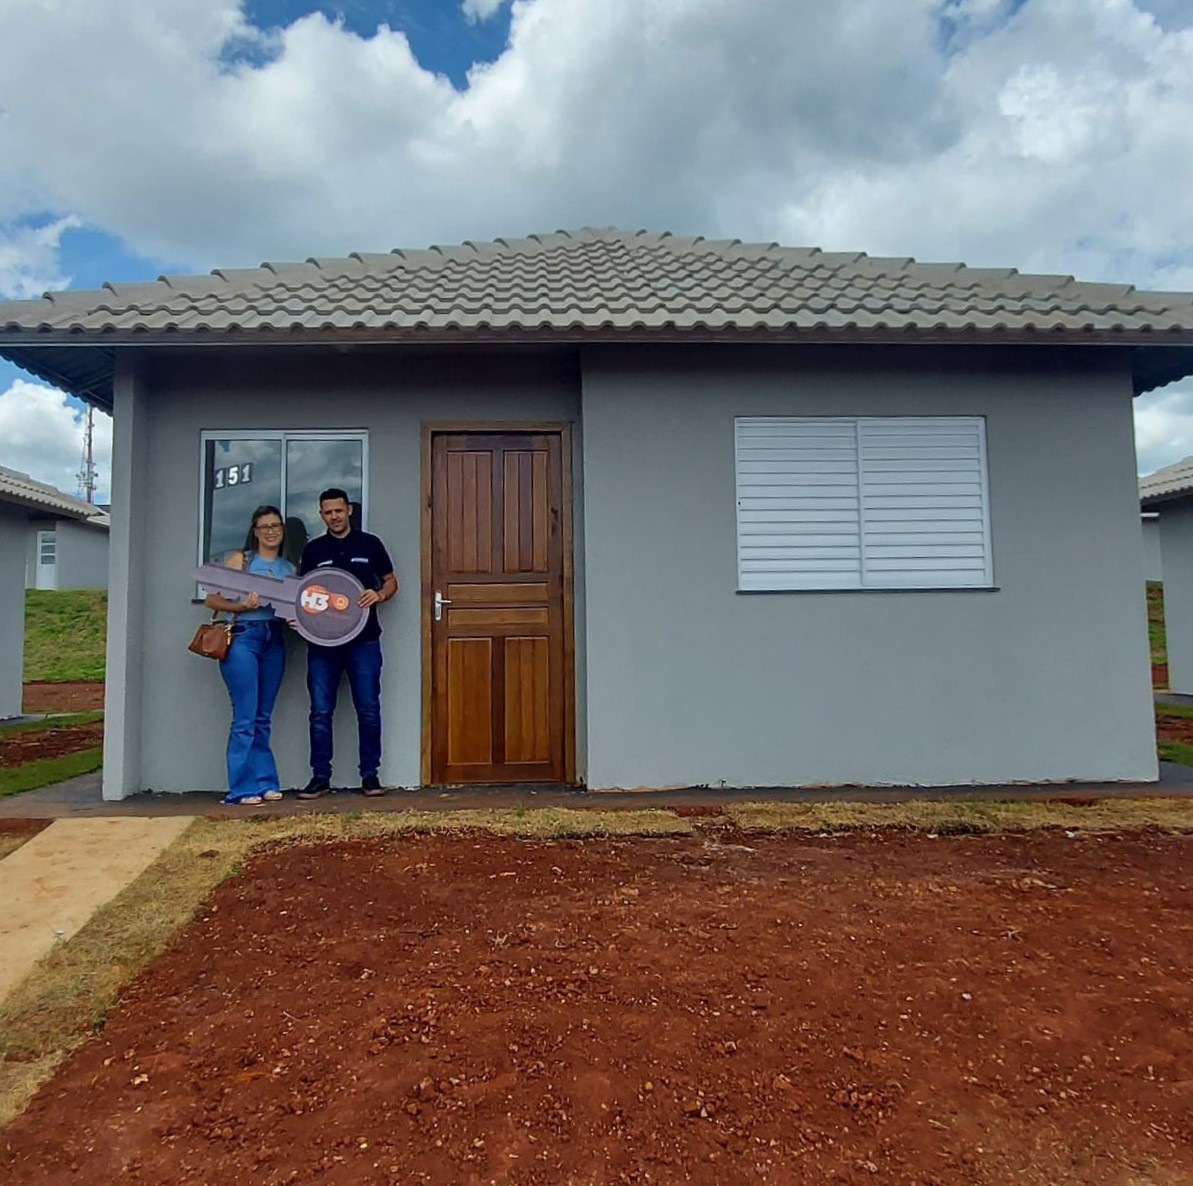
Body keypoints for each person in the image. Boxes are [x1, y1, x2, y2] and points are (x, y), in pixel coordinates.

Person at [297, 488, 398, 799]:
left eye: (338, 511)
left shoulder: (370, 544)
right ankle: (320, 777)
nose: (334, 517)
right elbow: (302, 595)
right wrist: (297, 617)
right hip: (322, 644)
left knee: (368, 709)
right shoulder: (313, 550)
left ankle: (370, 776)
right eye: (328, 512)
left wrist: (379, 594)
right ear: (321, 515)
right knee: (320, 711)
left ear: (349, 510)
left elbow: (391, 580)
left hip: (364, 640)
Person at [204, 505, 296, 806]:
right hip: (244, 638)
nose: (271, 531)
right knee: (245, 716)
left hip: (274, 639)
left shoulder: (288, 569)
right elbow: (212, 599)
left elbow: (291, 609)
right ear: (255, 531)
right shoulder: (241, 560)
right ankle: (242, 789)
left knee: (262, 717)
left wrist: (296, 618)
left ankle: (266, 782)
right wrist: (242, 606)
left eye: (275, 526)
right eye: (264, 526)